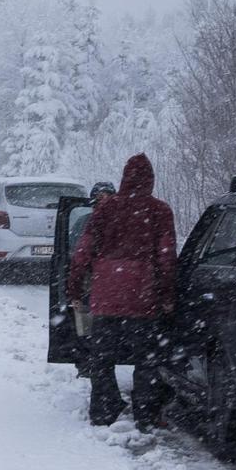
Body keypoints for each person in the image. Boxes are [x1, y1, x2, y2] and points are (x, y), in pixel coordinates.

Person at [68, 155, 177, 429]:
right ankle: (146, 413)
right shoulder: (160, 211)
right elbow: (166, 258)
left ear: (124, 177)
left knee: (102, 359)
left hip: (105, 299)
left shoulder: (105, 210)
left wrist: (74, 289)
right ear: (150, 180)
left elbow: (82, 253)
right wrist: (166, 296)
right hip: (143, 299)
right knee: (146, 360)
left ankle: (105, 410)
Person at [67, 181, 117, 379]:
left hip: (99, 280)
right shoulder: (129, 223)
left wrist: (74, 288)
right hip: (108, 281)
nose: (103, 201)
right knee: (88, 323)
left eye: (107, 196)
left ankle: (92, 361)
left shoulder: (89, 223)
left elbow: (76, 255)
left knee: (89, 325)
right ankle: (90, 360)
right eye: (101, 197)